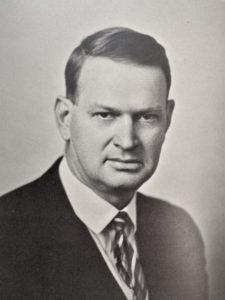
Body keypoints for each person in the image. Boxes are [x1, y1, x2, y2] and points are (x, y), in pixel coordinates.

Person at [0, 27, 208, 299]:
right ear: (65, 118)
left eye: (146, 117)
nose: (127, 141)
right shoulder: (6, 235)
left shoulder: (178, 229)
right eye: (105, 115)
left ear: (167, 119)